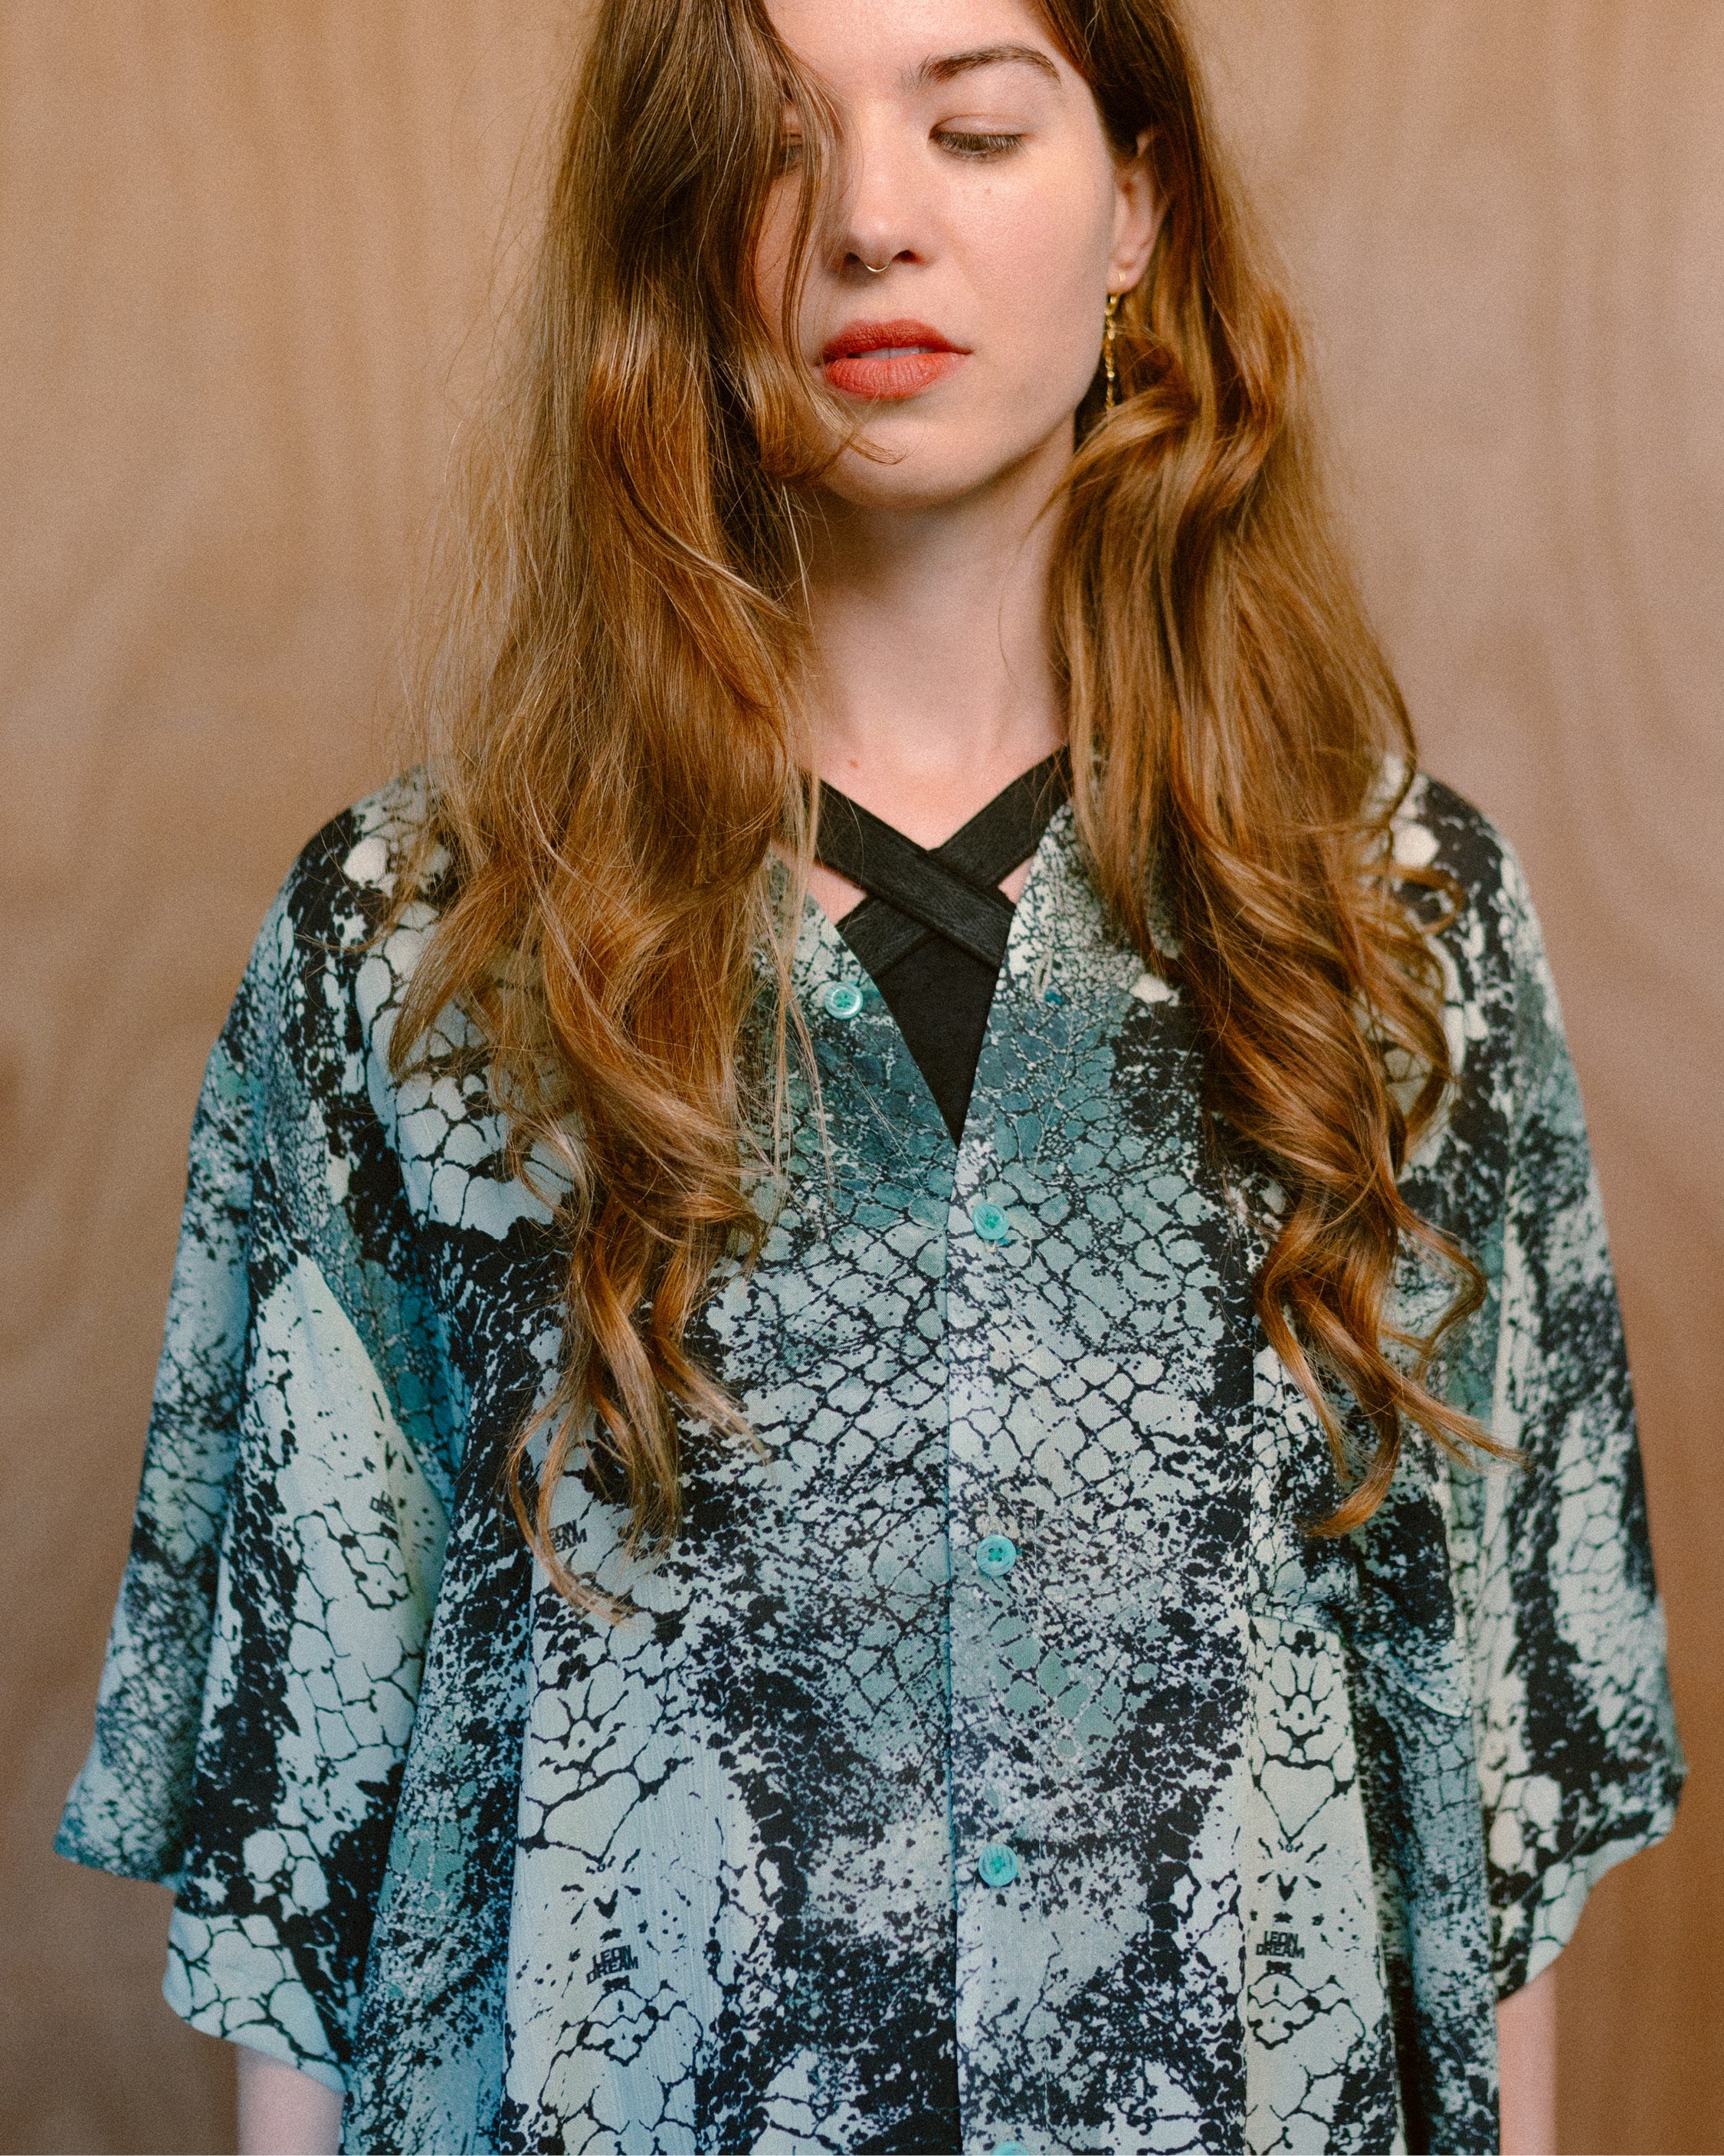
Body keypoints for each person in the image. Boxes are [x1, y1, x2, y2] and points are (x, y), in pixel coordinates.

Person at [57, 2, 1682, 2151]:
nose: (871, 223)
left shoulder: (1392, 933)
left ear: (1135, 209)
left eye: (976, 128)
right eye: (770, 140)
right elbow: (305, 1844)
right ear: (667, 225)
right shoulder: (413, 946)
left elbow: (1498, 1813)